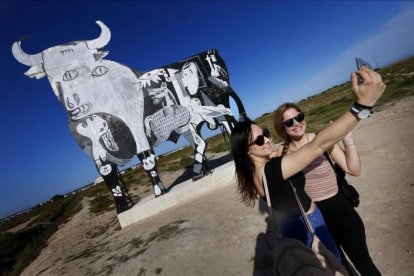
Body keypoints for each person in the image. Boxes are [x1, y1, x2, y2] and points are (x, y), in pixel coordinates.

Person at [230, 67, 385, 271]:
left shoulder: (258, 172)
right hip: (312, 226)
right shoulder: (272, 169)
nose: (267, 140)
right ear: (247, 151)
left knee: (341, 266)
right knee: (337, 268)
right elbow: (317, 145)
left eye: (265, 133)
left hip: (304, 225)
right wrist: (360, 107)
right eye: (259, 139)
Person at [273, 102, 381, 275]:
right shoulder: (281, 154)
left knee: (364, 264)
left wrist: (348, 140)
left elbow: (354, 169)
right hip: (315, 219)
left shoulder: (321, 140)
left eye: (299, 117)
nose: (296, 124)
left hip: (341, 210)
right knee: (338, 268)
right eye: (289, 122)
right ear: (283, 128)